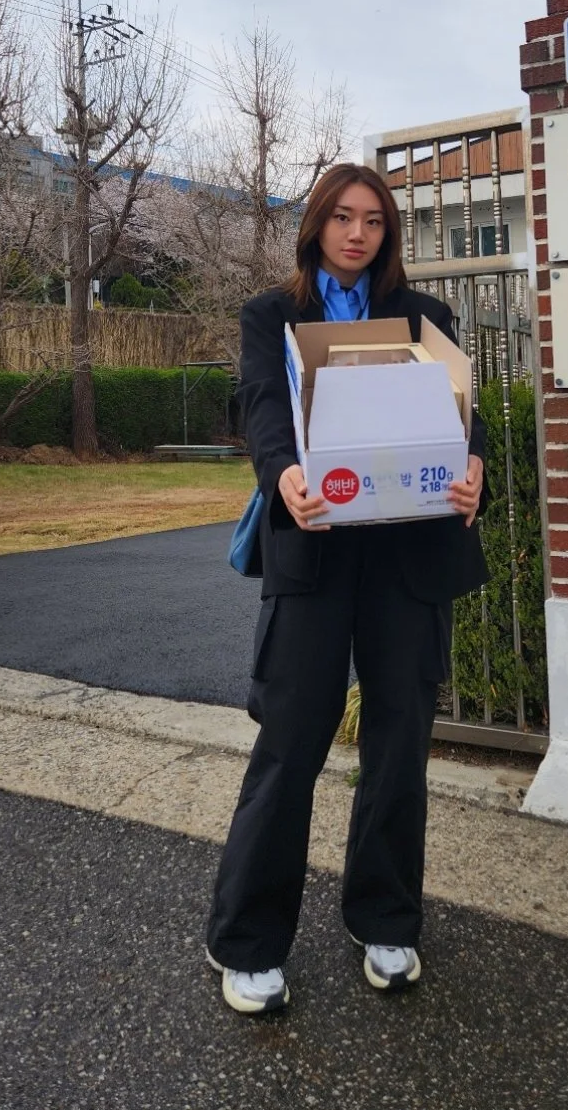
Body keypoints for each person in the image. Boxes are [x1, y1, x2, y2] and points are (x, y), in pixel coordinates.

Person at [206, 162, 488, 1015]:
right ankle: (248, 940)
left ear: (388, 232)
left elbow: (466, 429)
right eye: (342, 217)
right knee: (291, 742)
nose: (358, 233)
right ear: (317, 224)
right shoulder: (272, 315)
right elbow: (259, 404)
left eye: (372, 220)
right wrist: (284, 472)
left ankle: (386, 917)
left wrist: (475, 471)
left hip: (407, 557)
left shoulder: (426, 318)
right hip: (316, 547)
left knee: (400, 741)